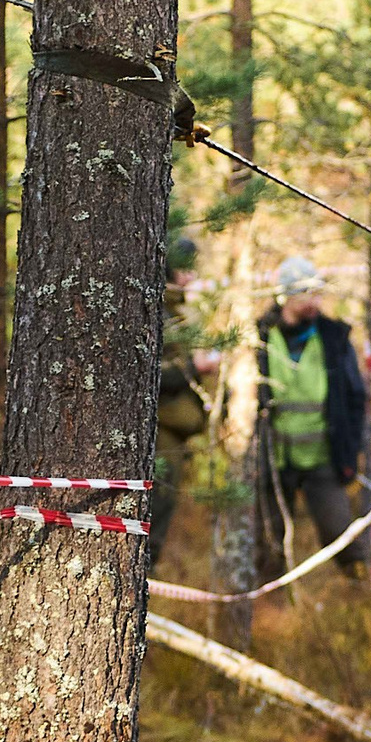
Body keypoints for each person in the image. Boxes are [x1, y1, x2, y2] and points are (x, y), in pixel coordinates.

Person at [255, 254, 371, 576]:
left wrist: (350, 451)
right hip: (275, 460)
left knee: (340, 534)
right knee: (269, 542)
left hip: (323, 458)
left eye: (318, 293)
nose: (316, 302)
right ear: (286, 297)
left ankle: (360, 587)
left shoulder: (334, 338)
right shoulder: (260, 336)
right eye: (308, 294)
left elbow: (354, 397)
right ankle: (269, 597)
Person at [148, 236, 224, 571]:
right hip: (159, 429)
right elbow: (151, 374)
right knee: (156, 504)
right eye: (184, 269)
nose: (191, 277)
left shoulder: (180, 312)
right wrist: (195, 366)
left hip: (177, 430)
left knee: (164, 507)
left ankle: (148, 570)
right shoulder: (158, 311)